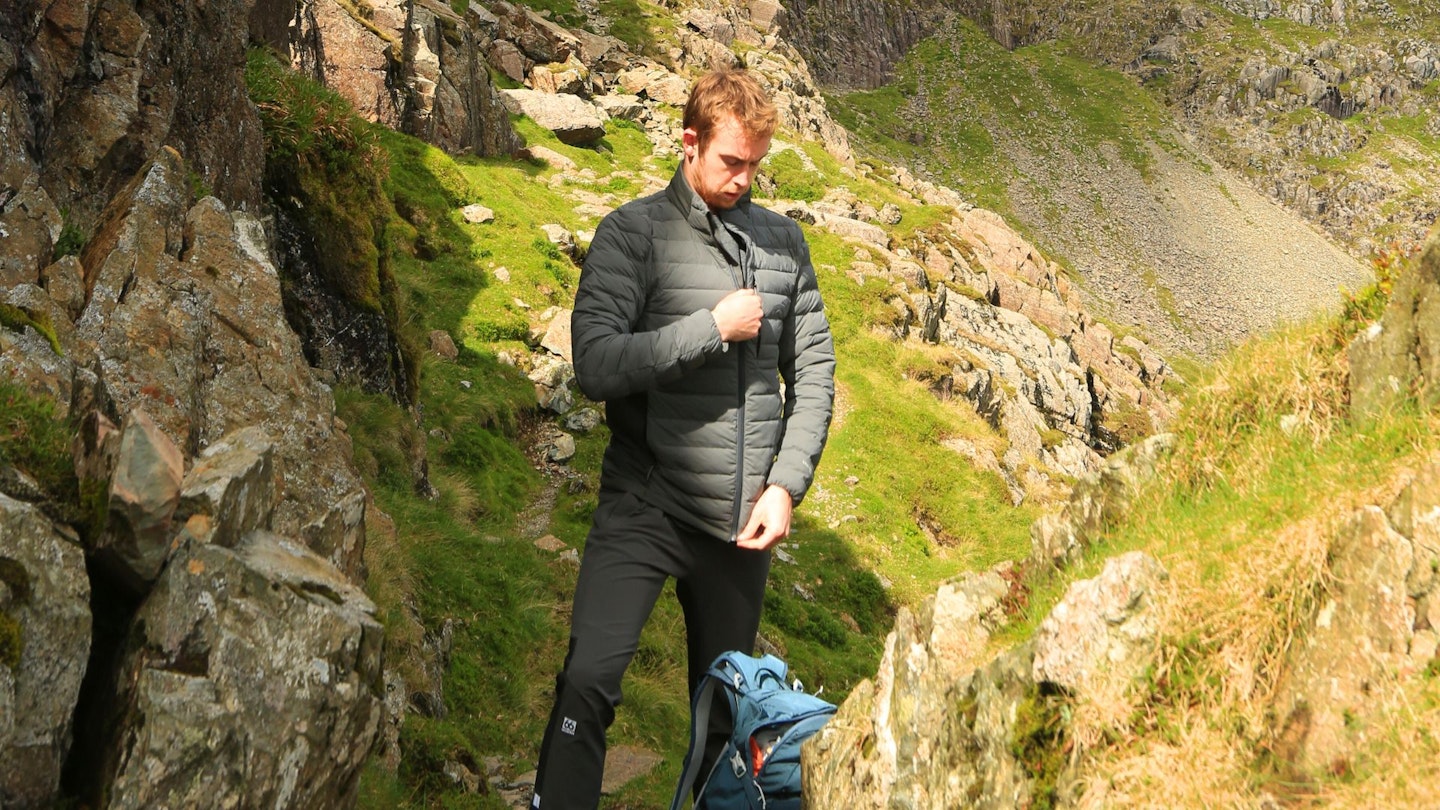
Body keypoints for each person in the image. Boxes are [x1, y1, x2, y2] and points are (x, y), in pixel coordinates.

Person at [529, 67, 836, 809]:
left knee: (728, 711)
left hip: (739, 531)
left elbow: (817, 373)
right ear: (689, 142)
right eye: (732, 162)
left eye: (756, 164)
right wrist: (710, 329)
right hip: (644, 503)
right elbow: (597, 364)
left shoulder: (783, 243)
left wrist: (785, 486)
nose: (743, 179)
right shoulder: (632, 235)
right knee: (590, 678)